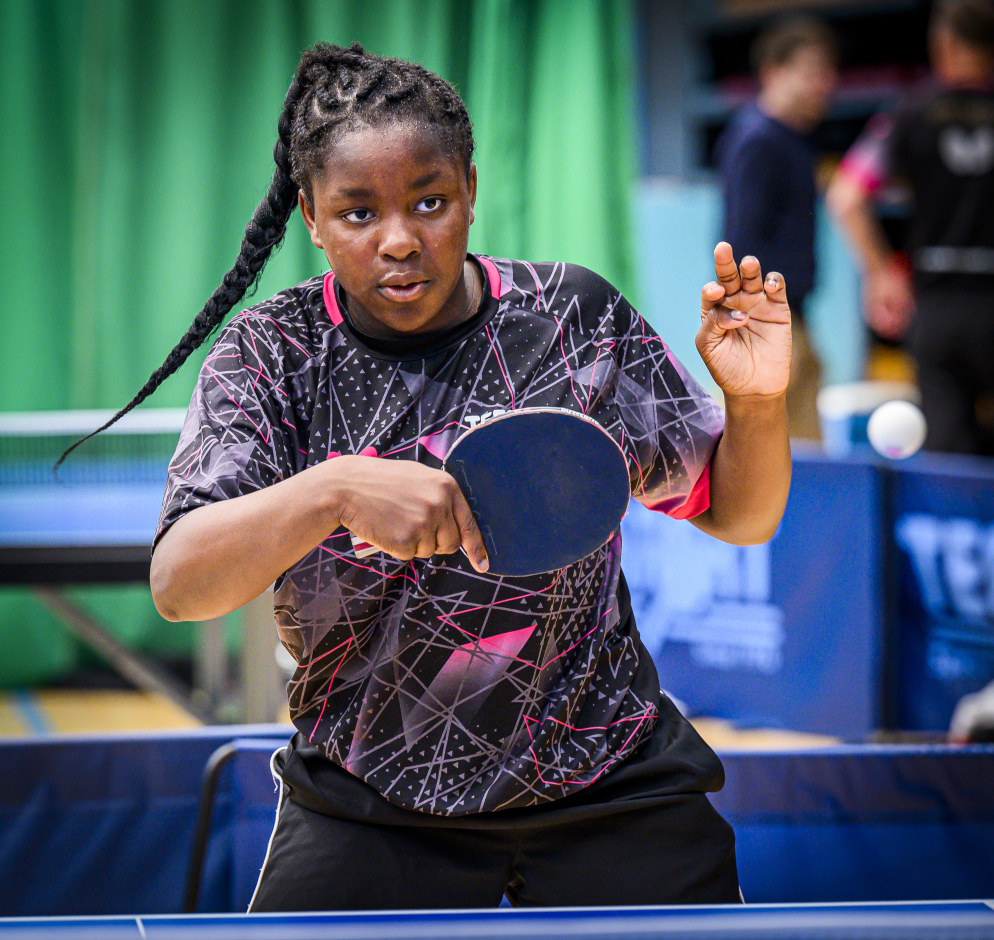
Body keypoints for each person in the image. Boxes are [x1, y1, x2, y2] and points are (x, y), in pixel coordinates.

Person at [61, 43, 791, 910]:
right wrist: (332, 487)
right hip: (371, 803)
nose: (400, 240)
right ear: (313, 217)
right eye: (359, 213)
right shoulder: (272, 356)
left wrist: (757, 403)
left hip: (612, 785)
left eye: (431, 202)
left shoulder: (574, 320)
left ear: (472, 192)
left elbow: (742, 516)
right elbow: (180, 585)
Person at [827, 0, 994, 456]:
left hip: (939, 310)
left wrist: (882, 273)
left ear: (944, 44)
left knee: (948, 455)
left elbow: (846, 196)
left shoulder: (911, 114)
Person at [714, 15, 838, 440]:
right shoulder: (759, 141)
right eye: (812, 72)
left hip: (792, 317)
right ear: (773, 72)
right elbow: (740, 242)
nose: (825, 85)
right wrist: (754, 323)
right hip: (768, 322)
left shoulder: (794, 141)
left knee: (805, 448)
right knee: (769, 450)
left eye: (828, 73)